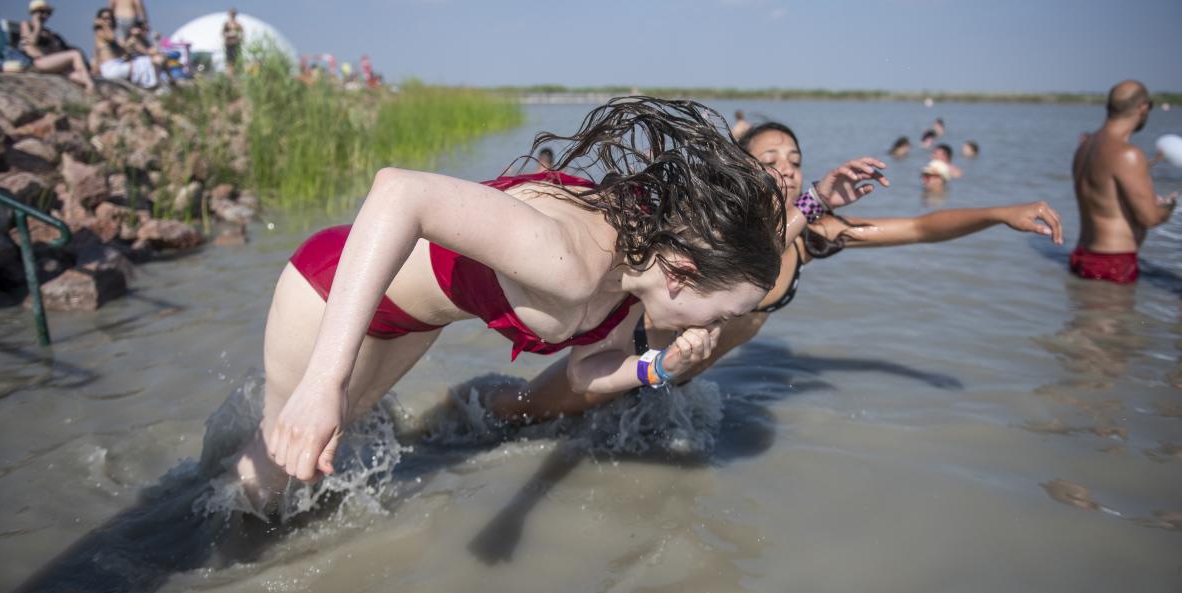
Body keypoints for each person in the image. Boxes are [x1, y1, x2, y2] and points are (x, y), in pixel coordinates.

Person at [231, 98, 879, 507]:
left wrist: (657, 368)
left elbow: (582, 374)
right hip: (332, 288)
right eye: (717, 316)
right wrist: (324, 380)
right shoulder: (571, 259)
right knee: (265, 489)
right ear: (682, 276)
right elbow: (399, 192)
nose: (716, 329)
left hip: (411, 322)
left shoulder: (639, 279)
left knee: (324, 465)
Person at [485, 121, 1063, 424]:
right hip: (624, 359)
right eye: (769, 161)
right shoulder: (707, 232)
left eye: (794, 161)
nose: (785, 171)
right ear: (743, 171)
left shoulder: (813, 233)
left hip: (675, 377)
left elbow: (918, 228)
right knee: (514, 417)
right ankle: (444, 422)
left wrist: (997, 213)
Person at [1070, 80, 1178, 284]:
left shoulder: (1085, 147)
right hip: (1112, 262)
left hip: (1082, 254)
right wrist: (1170, 205)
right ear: (1143, 108)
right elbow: (1150, 218)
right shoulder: (1128, 154)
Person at [19, 1, 95, 93]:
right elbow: (31, 42)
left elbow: (61, 49)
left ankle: (90, 86)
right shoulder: (26, 24)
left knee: (77, 74)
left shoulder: (49, 32)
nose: (45, 15)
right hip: (39, 61)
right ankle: (89, 83)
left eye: (48, 13)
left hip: (52, 62)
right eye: (42, 12)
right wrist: (38, 26)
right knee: (75, 54)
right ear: (34, 13)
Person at [91, 8, 157, 88]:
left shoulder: (109, 37)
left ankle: (150, 85)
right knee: (144, 63)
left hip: (115, 65)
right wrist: (104, 24)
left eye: (110, 18)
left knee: (145, 61)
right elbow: (111, 37)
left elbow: (122, 52)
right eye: (105, 18)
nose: (108, 21)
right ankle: (151, 86)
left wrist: (131, 41)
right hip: (111, 68)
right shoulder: (100, 32)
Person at [222, 8, 243, 75]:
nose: (232, 16)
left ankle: (235, 74)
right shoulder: (226, 24)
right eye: (231, 14)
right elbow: (223, 34)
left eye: (234, 14)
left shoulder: (238, 24)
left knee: (236, 60)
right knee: (229, 61)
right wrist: (231, 34)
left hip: (236, 45)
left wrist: (237, 35)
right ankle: (229, 75)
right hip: (229, 44)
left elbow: (241, 34)